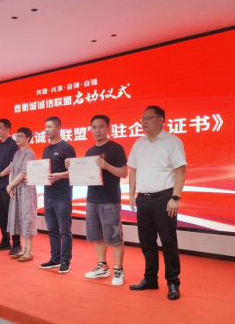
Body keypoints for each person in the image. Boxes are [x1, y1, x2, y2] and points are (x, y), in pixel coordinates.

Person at [127, 105, 187, 300]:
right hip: (143, 199)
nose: (144, 121)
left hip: (164, 198)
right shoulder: (138, 143)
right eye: (143, 118)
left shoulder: (172, 141)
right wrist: (131, 194)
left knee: (168, 243)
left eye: (149, 118)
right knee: (147, 242)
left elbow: (180, 170)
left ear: (161, 120)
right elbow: (133, 170)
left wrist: (175, 198)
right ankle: (150, 279)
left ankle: (173, 282)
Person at [67, 115, 128, 285]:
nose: (97, 130)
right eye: (94, 127)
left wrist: (106, 166)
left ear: (108, 128)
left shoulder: (116, 148)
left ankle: (118, 270)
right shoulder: (89, 152)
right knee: (97, 235)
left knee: (114, 236)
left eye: (101, 126)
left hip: (109, 199)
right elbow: (85, 175)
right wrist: (72, 168)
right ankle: (102, 267)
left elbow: (124, 173)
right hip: (92, 198)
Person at [39, 116, 76, 273]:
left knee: (64, 230)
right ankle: (55, 258)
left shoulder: (67, 148)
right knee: (52, 229)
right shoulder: (45, 149)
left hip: (62, 195)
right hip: (48, 194)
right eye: (45, 127)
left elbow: (75, 172)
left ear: (58, 128)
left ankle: (65, 260)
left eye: (50, 126)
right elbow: (43, 171)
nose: (46, 129)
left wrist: (60, 176)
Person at [6, 127, 38, 262]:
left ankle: (29, 251)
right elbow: (12, 171)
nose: (17, 138)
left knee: (27, 219)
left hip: (26, 190)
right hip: (16, 189)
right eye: (16, 136)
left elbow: (24, 173)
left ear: (28, 138)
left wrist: (10, 185)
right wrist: (11, 186)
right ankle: (23, 249)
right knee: (19, 219)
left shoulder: (29, 153)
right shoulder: (17, 153)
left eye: (20, 136)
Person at [0, 119, 21, 255]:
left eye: (0, 127)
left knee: (11, 214)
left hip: (8, 185)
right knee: (1, 214)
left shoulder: (13, 145)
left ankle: (16, 243)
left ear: (8, 129)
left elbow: (12, 164)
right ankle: (5, 241)